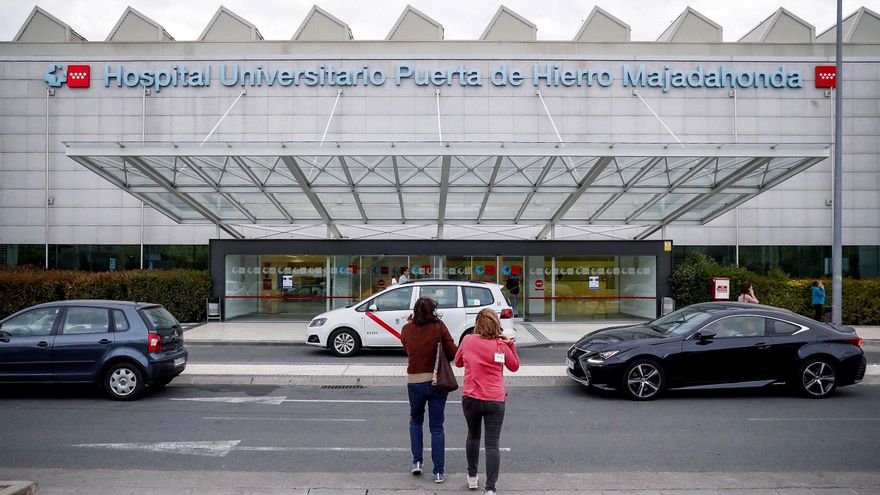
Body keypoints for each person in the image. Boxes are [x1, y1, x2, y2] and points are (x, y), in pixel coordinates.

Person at [454, 308, 520, 495]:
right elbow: (514, 366)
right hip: (495, 400)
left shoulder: (467, 340)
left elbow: (458, 362)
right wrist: (510, 345)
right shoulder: (501, 344)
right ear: (496, 324)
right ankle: (490, 488)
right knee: (492, 444)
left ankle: (472, 477)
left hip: (471, 398)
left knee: (473, 436)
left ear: (477, 324)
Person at [401, 296, 457, 483]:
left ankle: (417, 462)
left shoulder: (407, 329)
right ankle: (439, 472)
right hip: (436, 381)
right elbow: (453, 353)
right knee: (437, 427)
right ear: (433, 310)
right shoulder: (439, 327)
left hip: (414, 381)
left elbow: (406, 348)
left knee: (415, 421)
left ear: (415, 311)